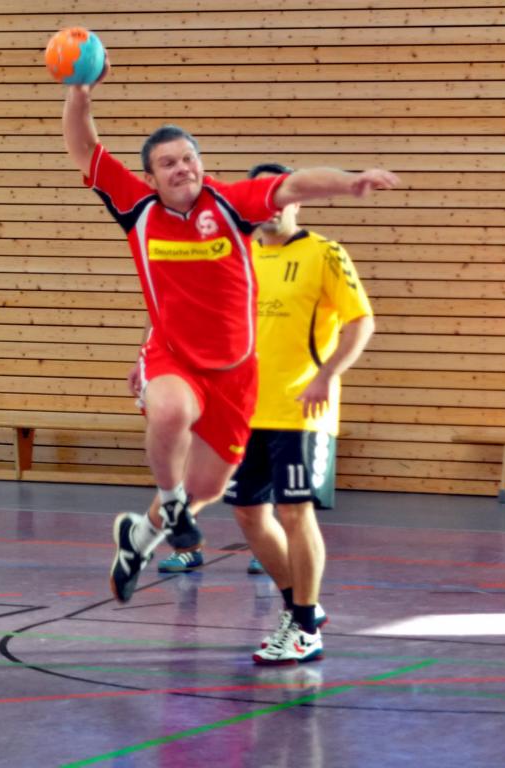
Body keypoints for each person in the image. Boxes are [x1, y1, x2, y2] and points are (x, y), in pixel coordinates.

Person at [60, 60, 398, 604]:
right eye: (168, 163)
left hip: (236, 375)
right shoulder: (136, 207)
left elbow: (293, 184)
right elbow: (84, 150)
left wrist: (349, 181)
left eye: (189, 158)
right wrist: (80, 95)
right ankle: (171, 504)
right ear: (150, 178)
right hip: (173, 356)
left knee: (211, 488)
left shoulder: (229, 204)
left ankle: (140, 534)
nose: (182, 169)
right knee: (169, 412)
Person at [232, 162, 376, 664]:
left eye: (280, 196)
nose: (271, 207)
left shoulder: (325, 254)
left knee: (294, 511)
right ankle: (302, 609)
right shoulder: (239, 257)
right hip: (244, 409)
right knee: (248, 513)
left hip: (301, 408)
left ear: (296, 202)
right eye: (262, 198)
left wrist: (326, 375)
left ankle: (304, 627)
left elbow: (360, 322)